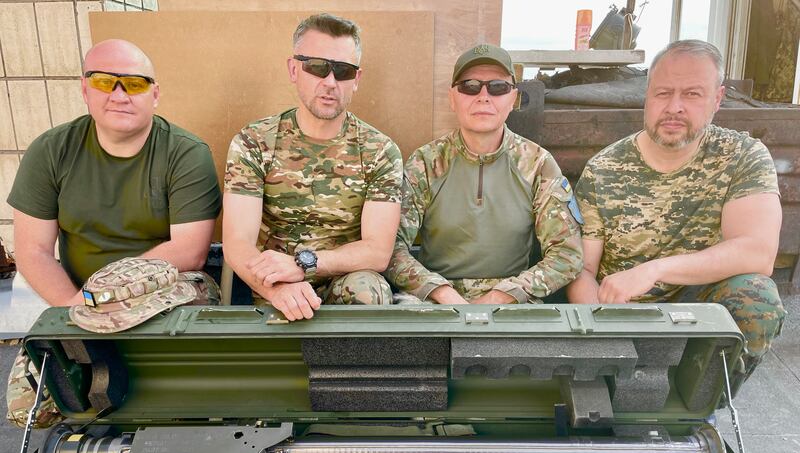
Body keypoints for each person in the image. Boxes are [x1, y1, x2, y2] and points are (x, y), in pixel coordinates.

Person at [567, 39, 785, 387]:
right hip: (618, 310)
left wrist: (654, 270)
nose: (674, 107)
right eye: (663, 93)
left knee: (756, 297)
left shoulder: (742, 156)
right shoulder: (604, 169)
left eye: (692, 94)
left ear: (717, 99)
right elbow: (582, 269)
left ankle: (697, 406)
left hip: (696, 310)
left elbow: (757, 252)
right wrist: (604, 325)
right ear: (647, 96)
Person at [8, 39, 221, 306]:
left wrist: (104, 292)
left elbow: (190, 251)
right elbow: (33, 251)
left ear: (154, 95)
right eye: (104, 82)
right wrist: (72, 309)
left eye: (135, 84)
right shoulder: (51, 150)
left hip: (160, 290)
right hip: (74, 293)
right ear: (85, 90)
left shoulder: (186, 153)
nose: (119, 96)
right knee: (48, 342)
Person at [223, 13, 402, 321]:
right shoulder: (255, 141)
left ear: (356, 79)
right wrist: (277, 288)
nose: (330, 82)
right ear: (294, 69)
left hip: (343, 282)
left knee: (369, 291)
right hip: (272, 283)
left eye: (342, 71)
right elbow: (238, 243)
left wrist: (304, 263)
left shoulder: (379, 150)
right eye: (317, 67)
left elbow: (377, 250)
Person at [385, 44, 583, 305]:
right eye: (470, 86)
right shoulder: (426, 162)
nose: (483, 96)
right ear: (452, 98)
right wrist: (441, 293)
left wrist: (499, 297)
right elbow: (391, 247)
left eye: (498, 87)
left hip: (512, 301)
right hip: (435, 301)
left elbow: (566, 255)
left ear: (513, 98)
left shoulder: (537, 164)